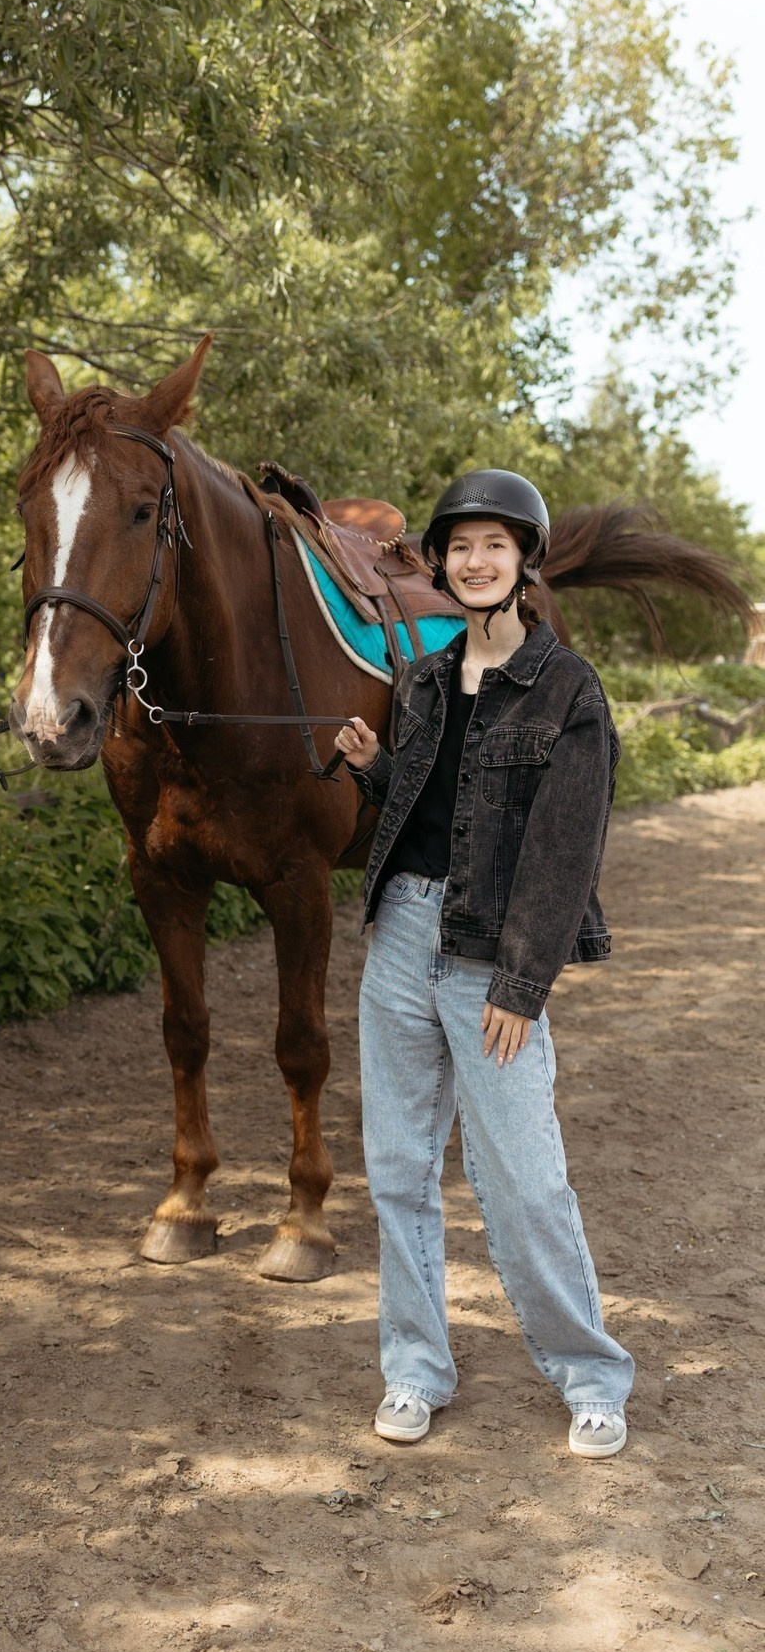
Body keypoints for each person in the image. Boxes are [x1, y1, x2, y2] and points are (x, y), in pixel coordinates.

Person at [334, 468, 633, 1460]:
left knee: (525, 1181)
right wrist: (373, 768)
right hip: (398, 940)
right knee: (396, 1171)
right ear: (442, 562)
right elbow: (427, 807)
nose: (474, 560)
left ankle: (591, 1375)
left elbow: (564, 850)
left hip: (489, 953)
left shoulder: (566, 689)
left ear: (523, 560)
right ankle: (414, 1369)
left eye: (494, 545)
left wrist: (521, 981)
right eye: (460, 546)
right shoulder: (423, 679)